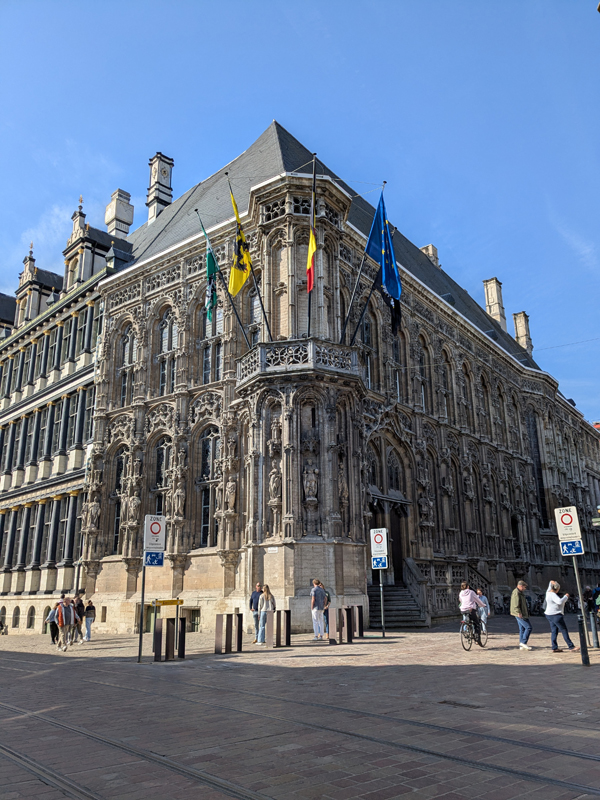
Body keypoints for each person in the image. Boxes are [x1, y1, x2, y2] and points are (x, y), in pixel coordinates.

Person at [545, 581, 579, 653]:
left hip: (549, 614)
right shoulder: (553, 595)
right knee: (564, 630)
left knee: (554, 631)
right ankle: (571, 646)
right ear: (556, 589)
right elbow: (559, 602)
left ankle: (554, 647)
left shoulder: (548, 592)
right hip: (556, 614)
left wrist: (552, 582)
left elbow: (550, 585)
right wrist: (566, 597)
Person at [510, 580, 533, 650]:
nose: (525, 589)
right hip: (519, 613)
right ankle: (523, 642)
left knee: (522, 629)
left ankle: (521, 644)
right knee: (528, 627)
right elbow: (515, 603)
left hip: (522, 612)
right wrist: (518, 612)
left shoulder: (520, 592)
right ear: (521, 586)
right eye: (524, 587)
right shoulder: (516, 593)